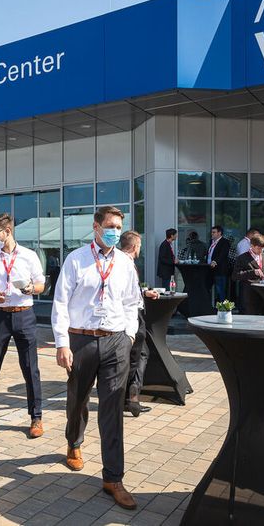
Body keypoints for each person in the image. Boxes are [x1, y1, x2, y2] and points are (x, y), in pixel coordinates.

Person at [52, 205, 140, 510]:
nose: (115, 230)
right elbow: (60, 302)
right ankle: (74, 442)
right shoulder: (76, 260)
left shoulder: (125, 263)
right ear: (96, 227)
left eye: (119, 226)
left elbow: (132, 302)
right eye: (110, 225)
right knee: (77, 399)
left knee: (112, 408)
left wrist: (128, 335)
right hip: (81, 340)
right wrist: (62, 343)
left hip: (115, 341)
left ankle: (113, 477)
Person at [0, 213, 46, 440]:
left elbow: (41, 284)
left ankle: (36, 417)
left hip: (24, 314)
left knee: (30, 368)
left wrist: (30, 288)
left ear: (8, 231)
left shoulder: (29, 256)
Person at [120, 231, 159, 417]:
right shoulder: (124, 263)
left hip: (131, 313)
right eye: (140, 246)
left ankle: (129, 394)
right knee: (138, 354)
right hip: (131, 315)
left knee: (137, 353)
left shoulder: (120, 261)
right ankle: (131, 394)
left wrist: (144, 292)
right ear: (135, 246)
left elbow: (130, 289)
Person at [232, 234, 264, 315]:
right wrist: (252, 272)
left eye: (262, 248)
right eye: (258, 248)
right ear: (251, 246)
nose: (260, 251)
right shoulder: (242, 258)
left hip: (263, 294)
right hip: (249, 295)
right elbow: (235, 276)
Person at [207, 225, 231, 302]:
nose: (212, 234)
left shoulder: (225, 242)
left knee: (220, 290)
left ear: (219, 233)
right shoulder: (211, 241)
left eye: (214, 232)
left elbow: (223, 254)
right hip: (210, 269)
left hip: (220, 270)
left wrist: (215, 261)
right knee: (208, 288)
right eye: (212, 232)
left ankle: (223, 309)